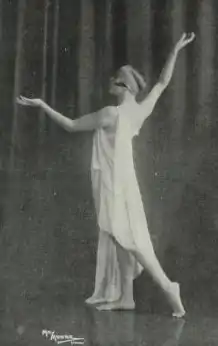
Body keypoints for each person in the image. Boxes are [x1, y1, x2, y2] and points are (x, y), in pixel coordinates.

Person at [16, 32, 195, 318]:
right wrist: (174, 50)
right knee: (120, 236)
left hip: (115, 185)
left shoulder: (111, 113)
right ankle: (127, 297)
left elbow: (73, 125)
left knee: (131, 239)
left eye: (114, 80)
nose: (110, 82)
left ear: (122, 86)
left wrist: (42, 105)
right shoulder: (138, 111)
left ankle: (168, 286)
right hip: (126, 183)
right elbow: (162, 83)